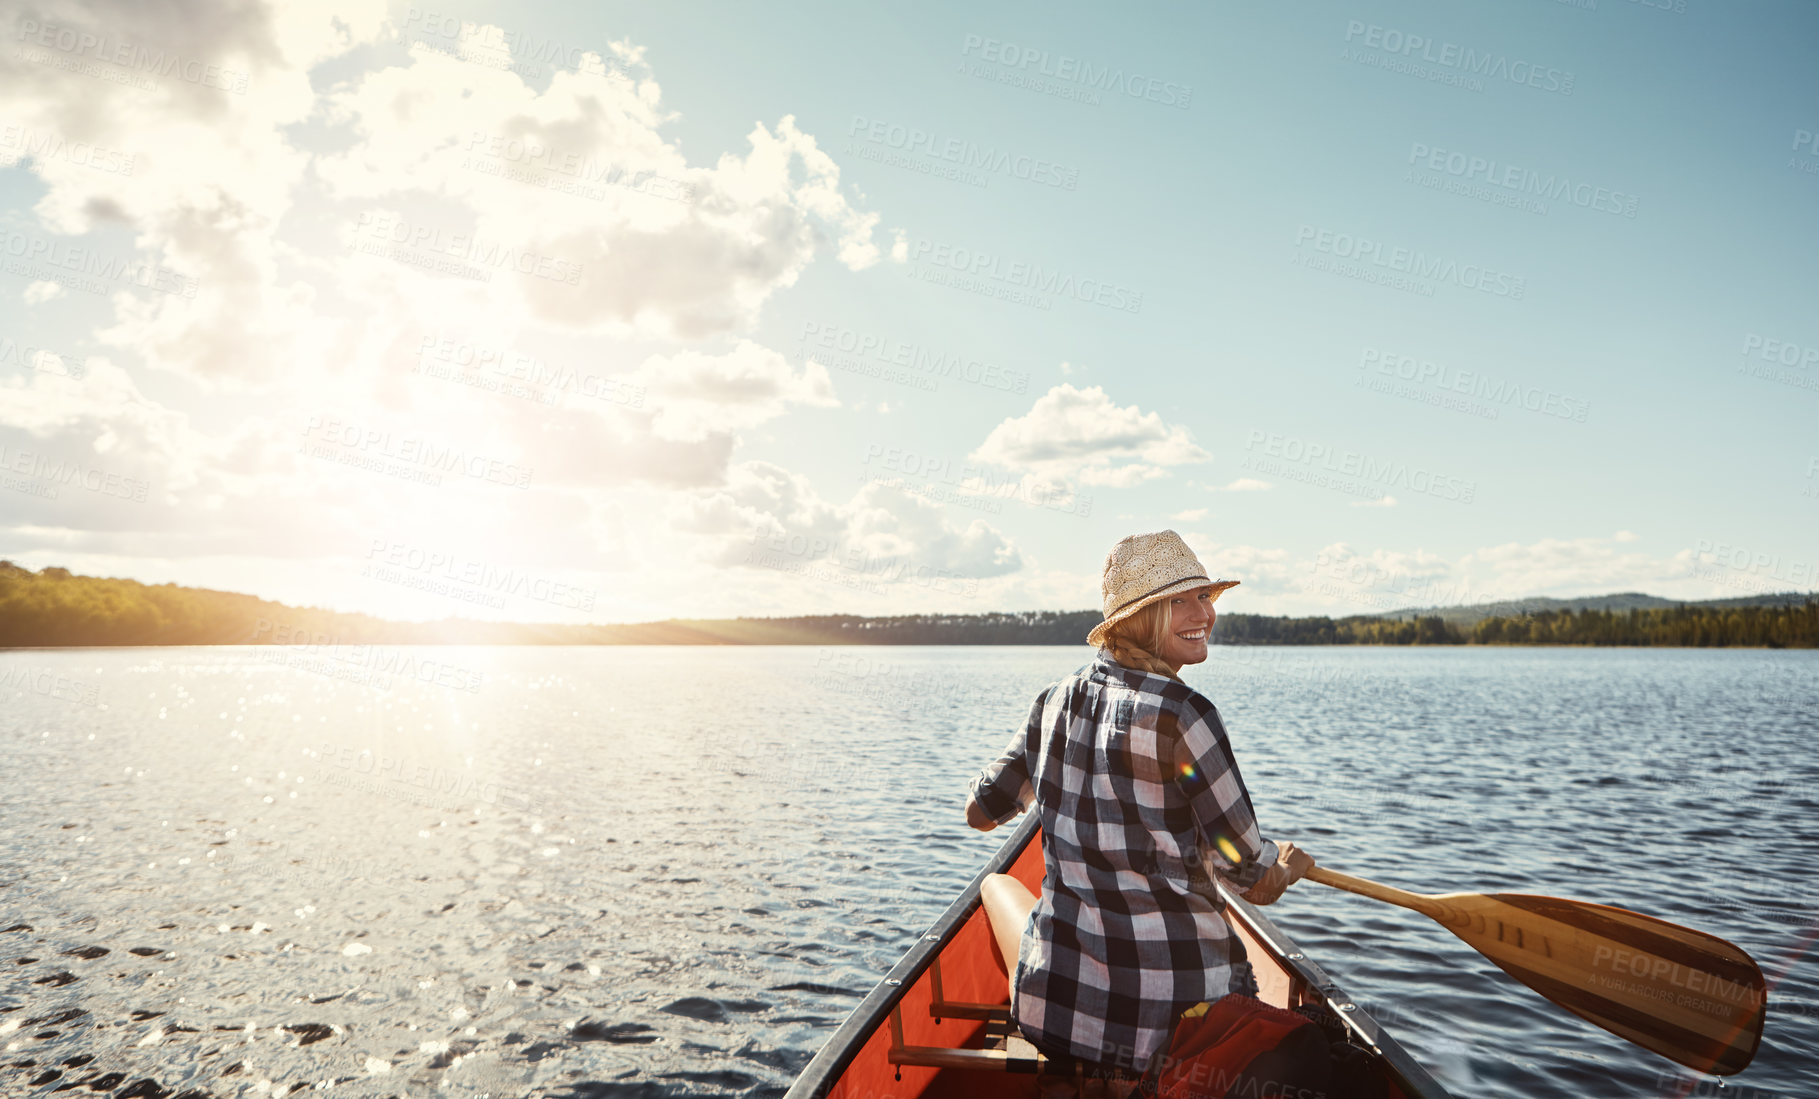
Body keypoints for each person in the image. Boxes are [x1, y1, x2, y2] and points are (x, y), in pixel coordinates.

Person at [964, 530, 1317, 1096]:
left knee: (998, 886)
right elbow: (1248, 874)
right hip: (1181, 1021)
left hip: (1060, 1010)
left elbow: (980, 812)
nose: (1203, 613)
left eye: (1206, 596)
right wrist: (1286, 866)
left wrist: (1056, 783)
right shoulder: (1186, 715)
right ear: (1139, 618)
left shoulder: (1050, 702)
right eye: (1180, 600)